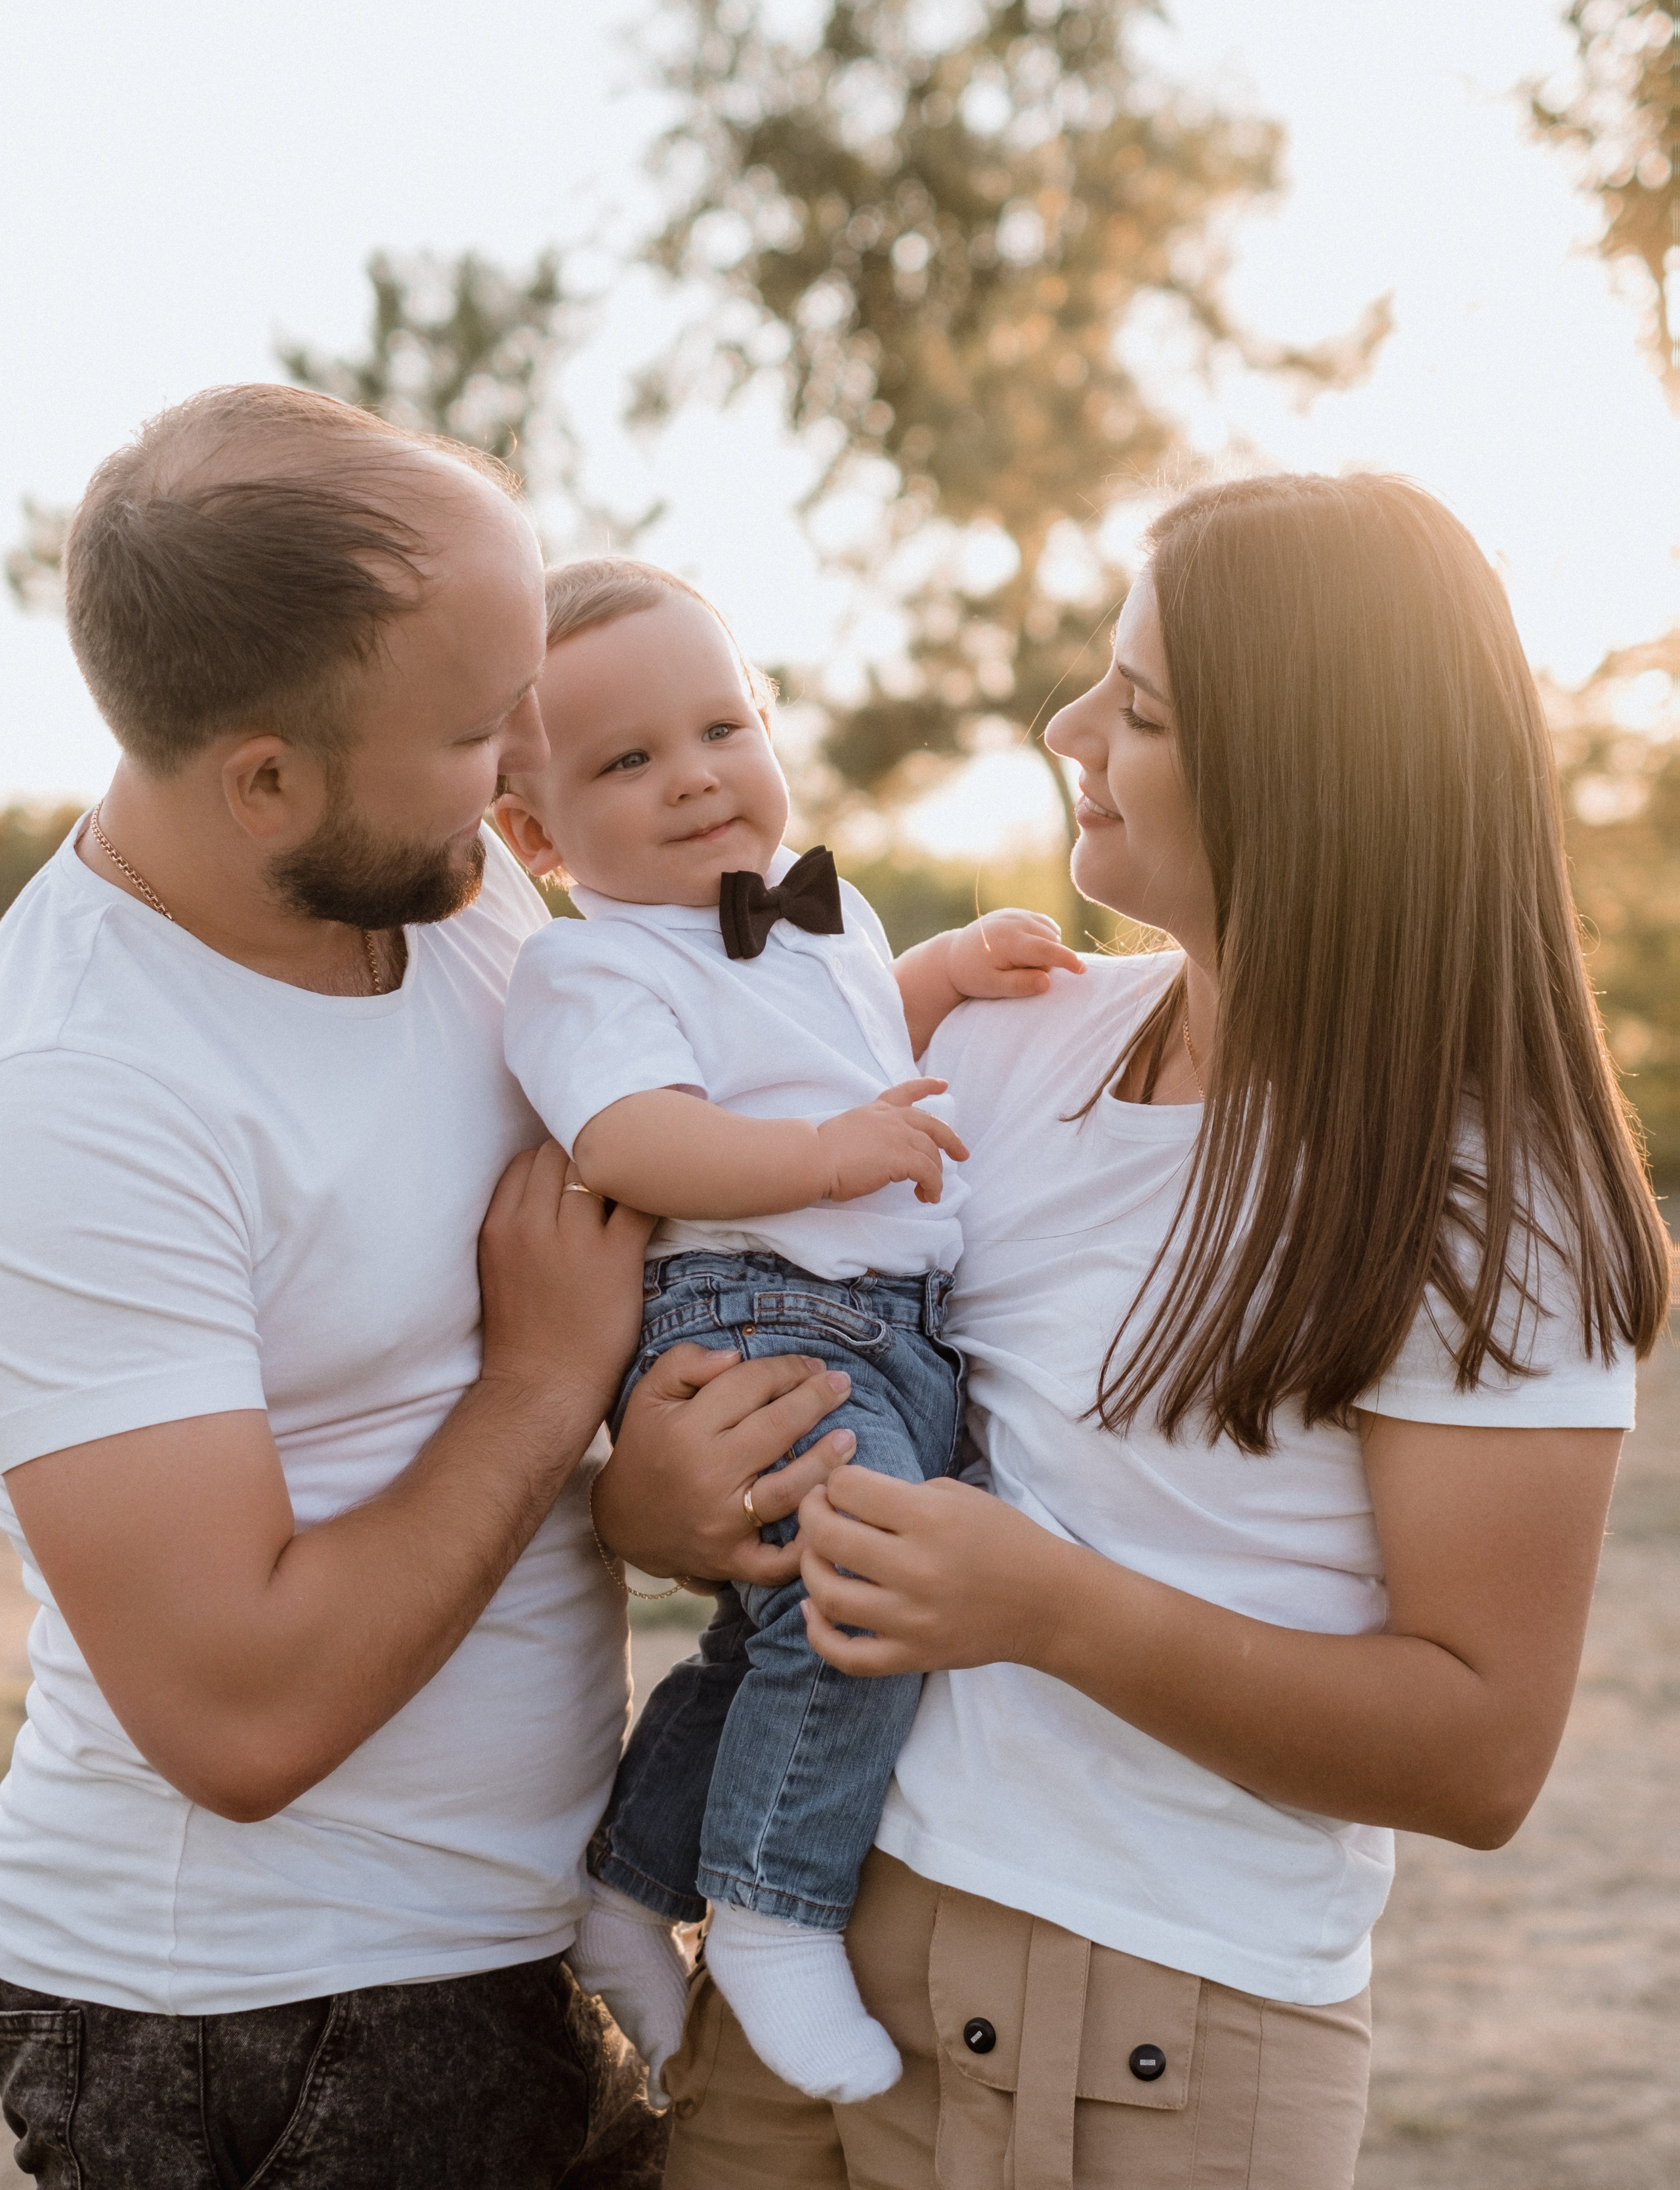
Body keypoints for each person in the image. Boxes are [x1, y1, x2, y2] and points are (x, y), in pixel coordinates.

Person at [592, 472, 1672, 2190]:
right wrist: (654, 1508)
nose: (1066, 723)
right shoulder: (1008, 1043)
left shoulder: (1479, 1201)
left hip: (1150, 2041)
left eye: (1141, 705)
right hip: (812, 1940)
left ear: (1298, 771)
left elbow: (1479, 1754)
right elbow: (774, 1357)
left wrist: (1052, 1610)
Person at [0, 385, 701, 2188]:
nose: (535, 757)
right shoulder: (82, 1090)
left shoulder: (441, 879)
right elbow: (237, 1718)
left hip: (507, 1958)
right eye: (481, 727)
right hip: (265, 2035)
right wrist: (546, 1392)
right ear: (265, 779)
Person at [491, 557, 1080, 2105]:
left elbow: (848, 1033)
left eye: (721, 725)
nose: (693, 779)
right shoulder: (585, 965)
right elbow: (634, 1138)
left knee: (772, 1630)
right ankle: (765, 1912)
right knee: (872, 1592)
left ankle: (626, 1893)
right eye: (626, 761)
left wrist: (945, 975)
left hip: (888, 1317)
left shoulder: (825, 916)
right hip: (752, 1307)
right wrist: (821, 1159)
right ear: (538, 836)